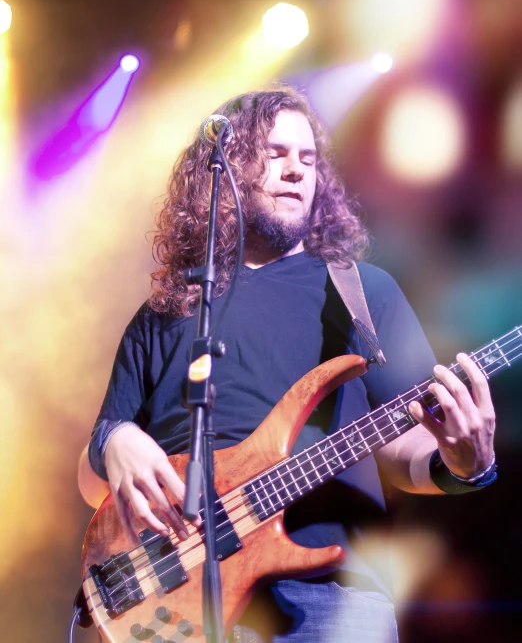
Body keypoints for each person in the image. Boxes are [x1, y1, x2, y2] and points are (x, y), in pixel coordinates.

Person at [78, 88, 497, 643]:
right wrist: (114, 440)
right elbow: (91, 482)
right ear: (224, 169)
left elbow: (405, 450)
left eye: (308, 158)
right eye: (275, 153)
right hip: (173, 603)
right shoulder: (171, 309)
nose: (297, 171)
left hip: (332, 598)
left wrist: (463, 464)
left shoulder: (362, 294)